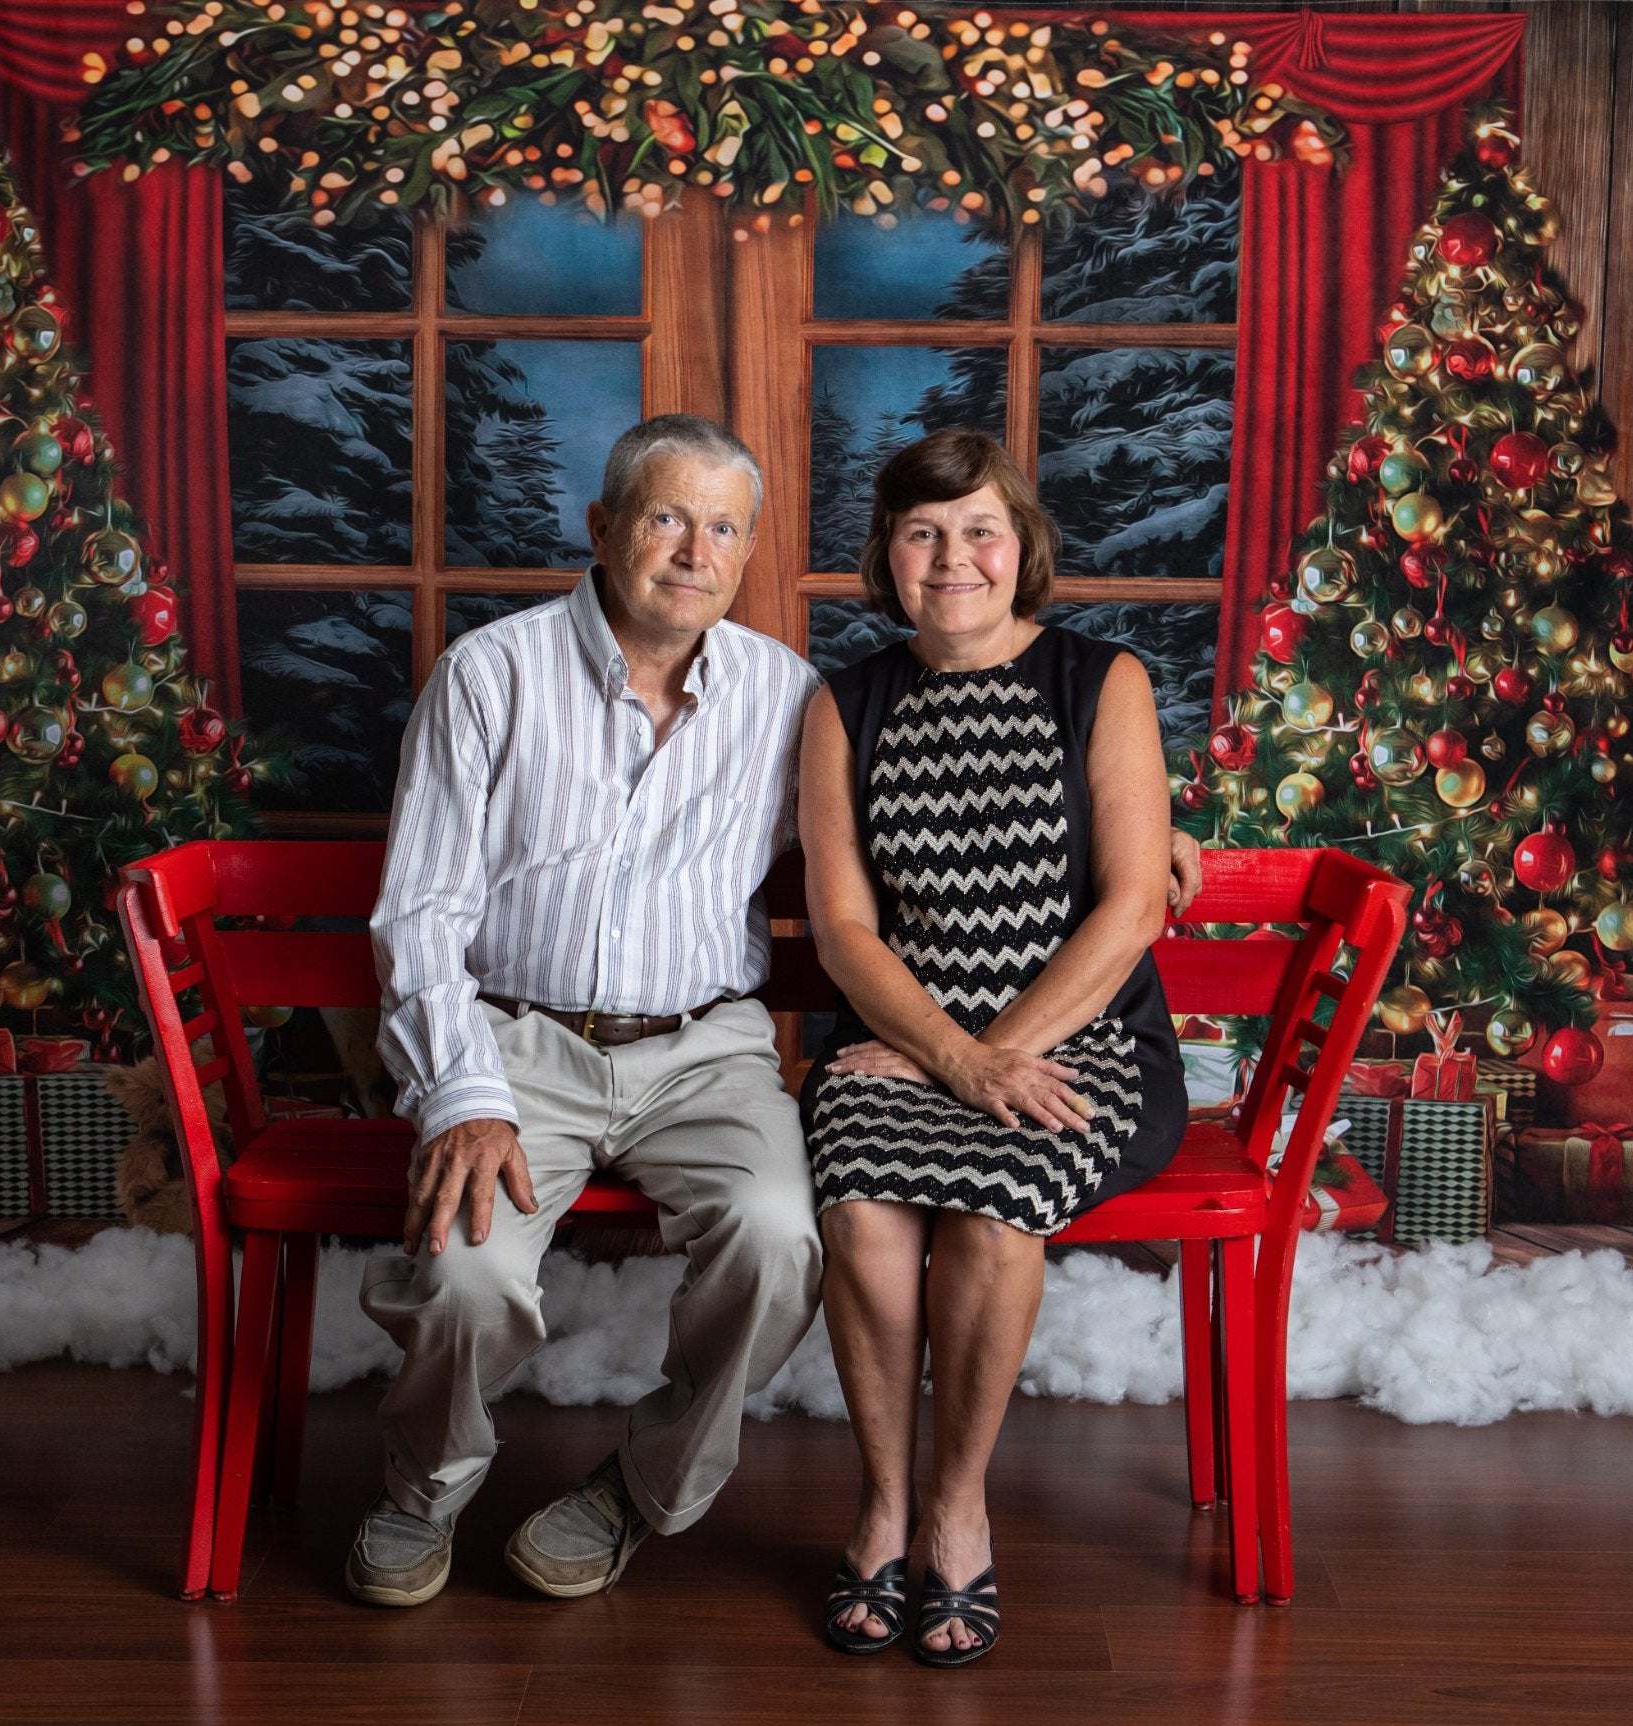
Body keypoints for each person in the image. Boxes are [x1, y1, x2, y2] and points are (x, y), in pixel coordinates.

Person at [355, 414, 1200, 1612]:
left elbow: (1020, 853)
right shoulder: (502, 676)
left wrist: (1152, 835)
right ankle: (419, 1488)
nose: (693, 550)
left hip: (717, 1049)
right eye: (664, 518)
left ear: (747, 552)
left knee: (778, 1233)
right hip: (518, 1038)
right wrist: (463, 1092)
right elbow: (422, 914)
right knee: (471, 1274)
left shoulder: (781, 692)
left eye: (722, 528)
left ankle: (644, 1494)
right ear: (601, 531)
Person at [798, 428, 1188, 1667]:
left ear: (1021, 548)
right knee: (860, 1204)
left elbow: (1132, 906)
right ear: (885, 556)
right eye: (921, 532)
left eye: (977, 529)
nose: (951, 556)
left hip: (1086, 1045)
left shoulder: (1097, 680)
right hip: (895, 1044)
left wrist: (981, 1059)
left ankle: (957, 1509)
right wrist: (943, 1054)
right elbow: (842, 927)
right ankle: (882, 1503)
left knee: (994, 1205)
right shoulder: (845, 702)